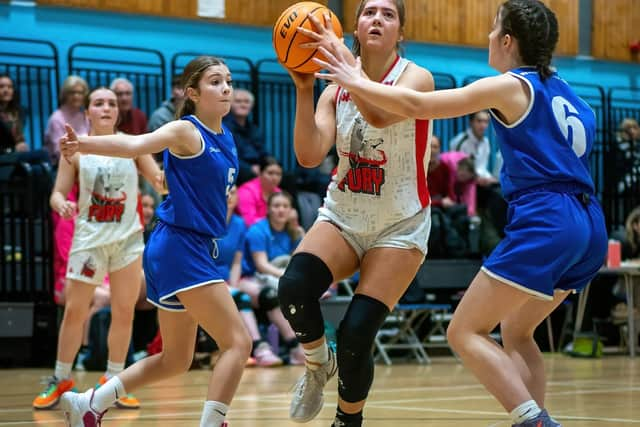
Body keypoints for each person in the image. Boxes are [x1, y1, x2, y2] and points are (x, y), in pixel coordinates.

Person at [315, 0, 608, 425]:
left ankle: (535, 420)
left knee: (464, 330)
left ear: (508, 41)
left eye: (493, 30)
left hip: (548, 218)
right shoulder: (574, 98)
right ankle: (536, 415)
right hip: (589, 222)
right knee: (517, 331)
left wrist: (352, 77)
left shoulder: (511, 85)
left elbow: (417, 106)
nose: (489, 37)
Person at [57, 56, 252, 427]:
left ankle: (89, 402)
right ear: (193, 92)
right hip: (181, 246)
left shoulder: (226, 136)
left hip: (186, 247)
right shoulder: (185, 131)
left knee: (177, 359)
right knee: (238, 342)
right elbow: (136, 145)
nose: (226, 87)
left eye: (228, 80)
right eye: (214, 81)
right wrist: (80, 143)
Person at [276, 1, 435, 425]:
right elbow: (309, 155)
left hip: (399, 223)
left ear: (400, 31)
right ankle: (315, 365)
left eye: (388, 13)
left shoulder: (417, 77)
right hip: (344, 213)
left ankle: (348, 420)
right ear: (355, 27)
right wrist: (305, 87)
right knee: (293, 287)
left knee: (355, 334)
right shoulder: (334, 89)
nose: (377, 19)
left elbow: (380, 115)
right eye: (369, 12)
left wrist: (350, 69)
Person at [34, 87, 164, 412]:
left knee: (123, 311)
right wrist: (61, 203)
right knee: (75, 311)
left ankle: (114, 381)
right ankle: (61, 377)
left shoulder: (133, 145)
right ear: (88, 112)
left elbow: (160, 182)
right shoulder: (76, 149)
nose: (106, 107)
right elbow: (57, 193)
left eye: (111, 103)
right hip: (89, 240)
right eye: (98, 103)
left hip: (128, 242)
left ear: (118, 113)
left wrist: (188, 173)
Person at [214, 185, 283, 367]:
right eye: (225, 190)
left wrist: (233, 285)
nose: (229, 194)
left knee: (264, 295)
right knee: (241, 298)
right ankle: (259, 348)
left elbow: (236, 262)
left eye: (233, 191)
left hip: (231, 279)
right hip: (208, 280)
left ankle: (295, 347)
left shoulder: (239, 224)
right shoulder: (207, 221)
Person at [238, 191, 306, 365]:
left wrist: (300, 233)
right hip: (250, 278)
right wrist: (289, 278)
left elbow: (301, 260)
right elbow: (261, 265)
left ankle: (300, 348)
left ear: (291, 210)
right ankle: (267, 348)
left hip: (277, 279)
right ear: (268, 209)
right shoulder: (258, 230)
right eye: (276, 206)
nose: (281, 210)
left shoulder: (293, 232)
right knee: (270, 295)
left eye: (285, 206)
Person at [222, 88, 270, 185]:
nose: (243, 105)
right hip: (237, 168)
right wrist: (250, 168)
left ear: (251, 106)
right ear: (230, 104)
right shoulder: (223, 127)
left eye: (247, 102)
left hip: (258, 167)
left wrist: (271, 164)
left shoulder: (255, 129)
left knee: (287, 176)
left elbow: (263, 152)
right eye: (238, 101)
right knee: (248, 174)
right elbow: (227, 155)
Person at [44, 75, 90, 167]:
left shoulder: (84, 116)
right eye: (72, 92)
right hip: (61, 166)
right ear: (65, 95)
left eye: (80, 93)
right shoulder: (56, 118)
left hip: (85, 163)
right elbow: (59, 152)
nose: (76, 96)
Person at [449, 110, 498, 186]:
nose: (483, 125)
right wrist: (476, 178)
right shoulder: (460, 141)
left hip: (481, 182)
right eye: (479, 121)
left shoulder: (486, 142)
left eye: (486, 122)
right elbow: (456, 171)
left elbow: (482, 168)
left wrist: (490, 178)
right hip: (464, 184)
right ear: (471, 122)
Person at [236, 156, 283, 227]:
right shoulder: (246, 192)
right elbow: (249, 222)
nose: (274, 178)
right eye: (270, 173)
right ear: (260, 173)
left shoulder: (279, 192)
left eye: (278, 174)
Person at [0, 74, 29, 153]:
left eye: (10, 87)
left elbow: (20, 137)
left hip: (18, 154)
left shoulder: (20, 111)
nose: (6, 90)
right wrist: (12, 149)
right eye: (1, 87)